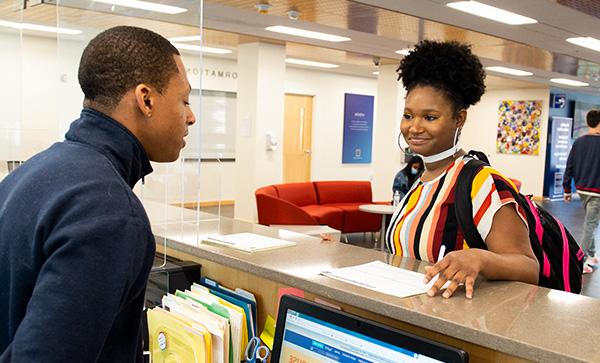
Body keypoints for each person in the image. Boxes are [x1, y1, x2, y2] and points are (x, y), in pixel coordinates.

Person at [0, 26, 196, 362]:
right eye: (184, 100)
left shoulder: (32, 172)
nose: (191, 117)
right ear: (146, 99)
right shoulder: (110, 215)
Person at [385, 40, 539, 299]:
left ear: (460, 119)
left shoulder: (482, 182)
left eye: (430, 117)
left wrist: (479, 258)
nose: (414, 127)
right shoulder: (420, 180)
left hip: (454, 327)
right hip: (409, 319)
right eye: (408, 115)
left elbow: (528, 266)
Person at [563, 109, 600, 274]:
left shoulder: (578, 142)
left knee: (589, 222)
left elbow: (569, 165)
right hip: (597, 192)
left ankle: (591, 254)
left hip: (582, 190)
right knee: (590, 224)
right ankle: (580, 260)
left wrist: (566, 189)